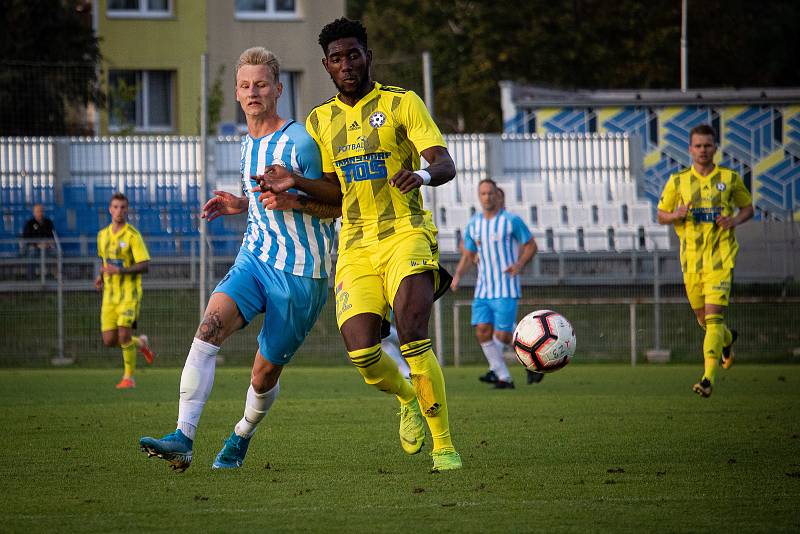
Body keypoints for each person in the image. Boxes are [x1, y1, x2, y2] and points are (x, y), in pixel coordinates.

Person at [257, 18, 461, 471]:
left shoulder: (402, 103)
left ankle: (444, 444)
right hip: (354, 245)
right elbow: (335, 194)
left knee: (411, 333)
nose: (346, 64)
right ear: (326, 66)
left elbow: (444, 163)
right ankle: (409, 397)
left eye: (353, 54)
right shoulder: (320, 119)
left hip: (406, 234)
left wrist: (422, 175)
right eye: (336, 58)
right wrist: (297, 186)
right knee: (363, 353)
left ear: (367, 55)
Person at [139, 47, 337, 471]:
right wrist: (242, 204)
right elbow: (266, 199)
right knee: (208, 327)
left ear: (278, 89)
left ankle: (242, 433)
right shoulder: (247, 144)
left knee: (263, 375)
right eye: (245, 85)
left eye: (261, 84)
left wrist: (295, 200)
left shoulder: (300, 141)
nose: (253, 92)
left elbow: (337, 202)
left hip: (302, 272)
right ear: (236, 92)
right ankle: (183, 436)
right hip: (256, 258)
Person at [657, 124, 753, 398]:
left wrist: (733, 220)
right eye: (698, 146)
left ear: (715, 148)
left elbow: (748, 208)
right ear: (690, 149)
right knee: (704, 320)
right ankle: (727, 339)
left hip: (720, 258)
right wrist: (676, 214)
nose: (702, 150)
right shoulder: (678, 181)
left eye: (707, 145)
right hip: (691, 261)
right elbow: (661, 214)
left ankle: (708, 378)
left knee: (712, 319)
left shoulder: (729, 179)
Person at [450, 179, 539, 388]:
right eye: (483, 193)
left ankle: (527, 363)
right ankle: (503, 376)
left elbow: (531, 245)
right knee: (482, 331)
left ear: (497, 195)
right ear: (478, 196)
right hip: (483, 289)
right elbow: (469, 253)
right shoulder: (474, 223)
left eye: (490, 193)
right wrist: (457, 275)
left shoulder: (511, 221)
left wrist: (519, 264)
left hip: (505, 287)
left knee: (504, 334)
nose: (487, 197)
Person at [95, 192, 156, 389]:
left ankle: (129, 378)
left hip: (129, 293)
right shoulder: (102, 236)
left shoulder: (132, 235)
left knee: (123, 336)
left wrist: (119, 270)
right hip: (109, 296)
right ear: (110, 209)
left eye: (123, 207)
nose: (119, 211)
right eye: (115, 207)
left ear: (126, 210)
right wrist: (100, 277)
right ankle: (141, 343)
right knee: (109, 340)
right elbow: (105, 262)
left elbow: (145, 264)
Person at [22, 203, 55, 279]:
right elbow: (25, 238)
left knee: (57, 252)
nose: (39, 213)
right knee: (32, 253)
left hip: (47, 247)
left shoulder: (48, 222)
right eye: (37, 211)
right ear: (34, 212)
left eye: (41, 211)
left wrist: (48, 244)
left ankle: (57, 276)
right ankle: (30, 278)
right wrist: (37, 245)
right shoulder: (29, 223)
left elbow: (52, 236)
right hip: (34, 247)